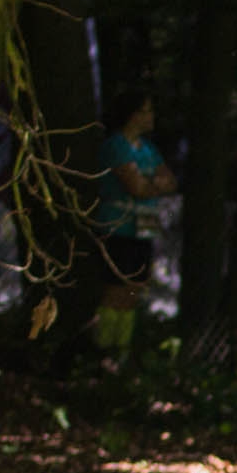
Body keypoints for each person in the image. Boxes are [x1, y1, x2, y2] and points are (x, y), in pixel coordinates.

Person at [92, 87, 178, 361]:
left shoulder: (148, 149)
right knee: (116, 289)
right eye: (145, 111)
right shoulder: (116, 145)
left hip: (144, 227)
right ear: (131, 115)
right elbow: (136, 187)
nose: (151, 116)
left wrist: (149, 183)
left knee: (135, 289)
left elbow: (170, 181)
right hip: (118, 226)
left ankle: (121, 352)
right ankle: (103, 351)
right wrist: (152, 184)